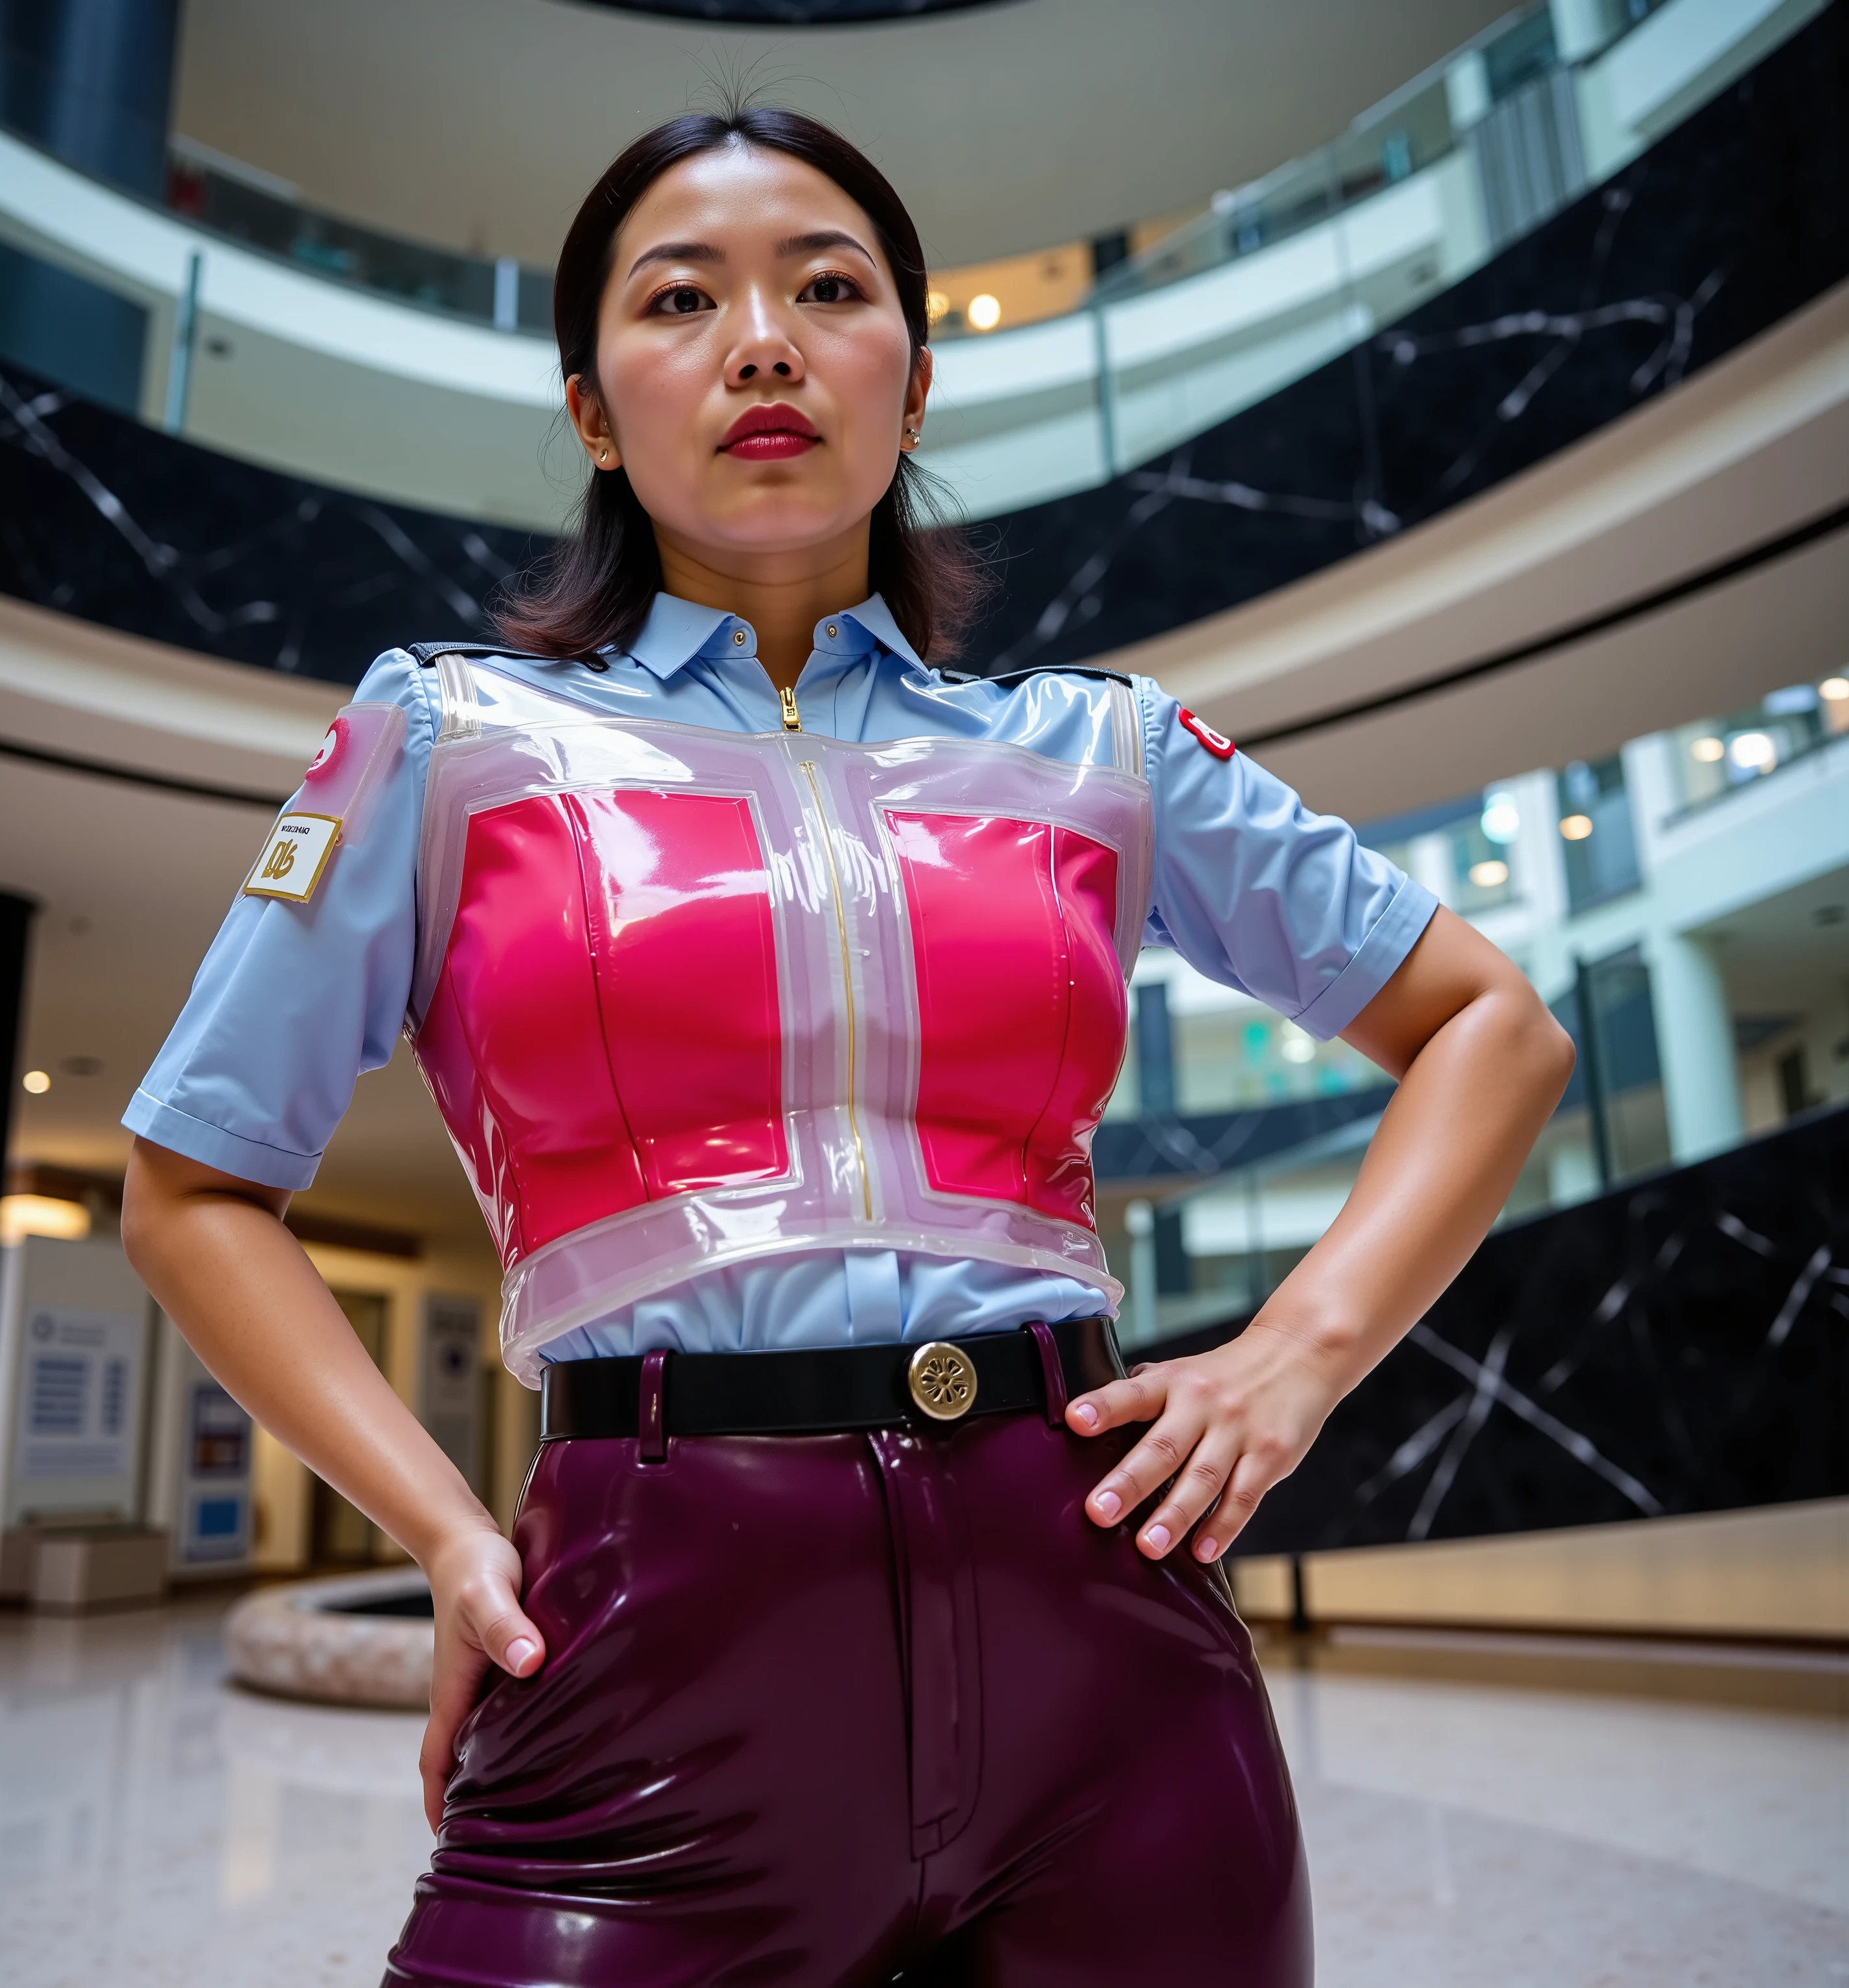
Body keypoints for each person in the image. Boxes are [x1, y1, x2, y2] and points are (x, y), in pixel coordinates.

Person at [121, 105, 1573, 1988]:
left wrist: (1294, 1360)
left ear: (915, 376)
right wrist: (444, 1530)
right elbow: (190, 1188)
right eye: (679, 299)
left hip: (1107, 1653)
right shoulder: (454, 736)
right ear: (591, 407)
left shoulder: (1095, 750)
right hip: (650, 1633)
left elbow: (1496, 1026)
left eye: (828, 287)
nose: (761, 342)